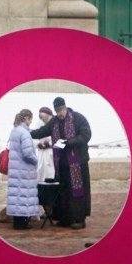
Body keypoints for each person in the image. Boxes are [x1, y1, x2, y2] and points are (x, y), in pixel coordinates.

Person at [31, 97, 91, 229]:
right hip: (62, 164)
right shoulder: (54, 122)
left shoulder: (78, 118)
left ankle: (79, 219)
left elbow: (86, 135)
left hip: (77, 163)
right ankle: (65, 218)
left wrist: (69, 143)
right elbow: (42, 131)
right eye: (57, 111)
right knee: (64, 191)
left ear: (65, 107)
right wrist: (27, 133)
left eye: (61, 110)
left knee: (77, 191)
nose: (59, 114)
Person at [6, 109, 40, 230]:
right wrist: (36, 160)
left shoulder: (15, 130)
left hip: (16, 168)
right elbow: (27, 153)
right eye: (31, 119)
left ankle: (17, 222)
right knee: (23, 196)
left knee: (17, 196)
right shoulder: (24, 134)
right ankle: (22, 223)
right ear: (27, 119)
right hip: (24, 170)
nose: (31, 121)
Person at [35, 107, 55, 182]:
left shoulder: (55, 123)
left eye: (46, 118)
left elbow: (60, 140)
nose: (44, 120)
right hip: (41, 153)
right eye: (43, 118)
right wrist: (38, 144)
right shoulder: (38, 123)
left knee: (51, 174)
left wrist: (49, 144)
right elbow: (34, 138)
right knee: (40, 173)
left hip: (52, 153)